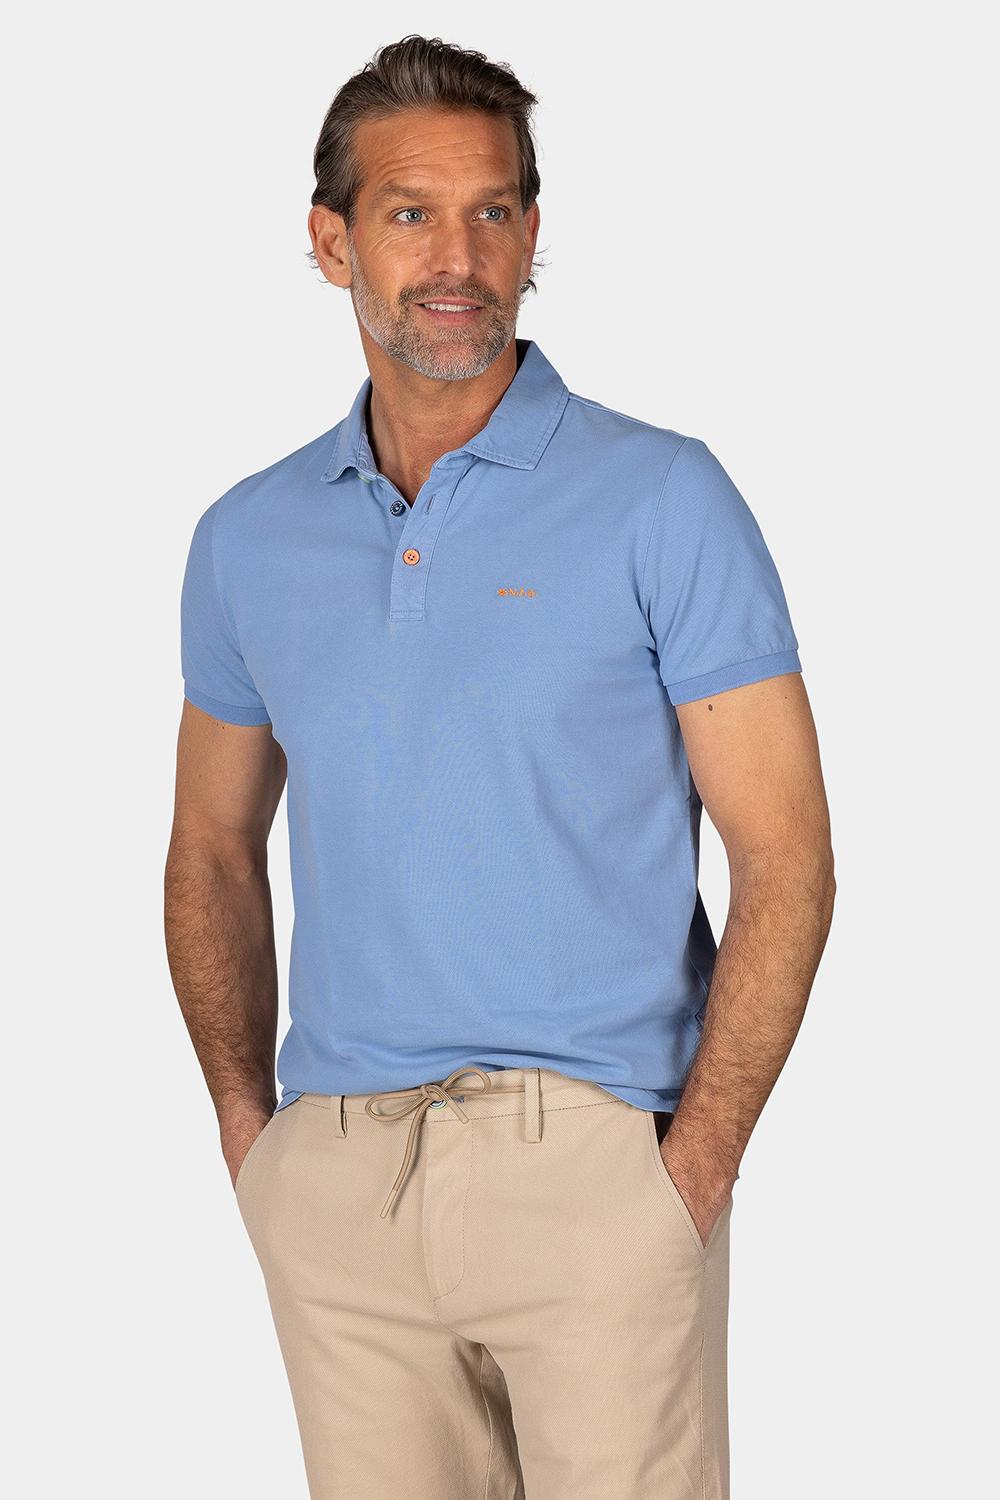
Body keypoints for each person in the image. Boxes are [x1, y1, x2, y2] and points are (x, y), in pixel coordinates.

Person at [164, 33, 835, 1500]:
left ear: (534, 234)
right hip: (340, 1183)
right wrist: (253, 1139)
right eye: (410, 213)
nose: (458, 258)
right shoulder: (247, 538)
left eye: (494, 211)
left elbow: (786, 853)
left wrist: (693, 1170)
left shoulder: (663, 497)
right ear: (332, 242)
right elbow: (212, 846)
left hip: (599, 1168)